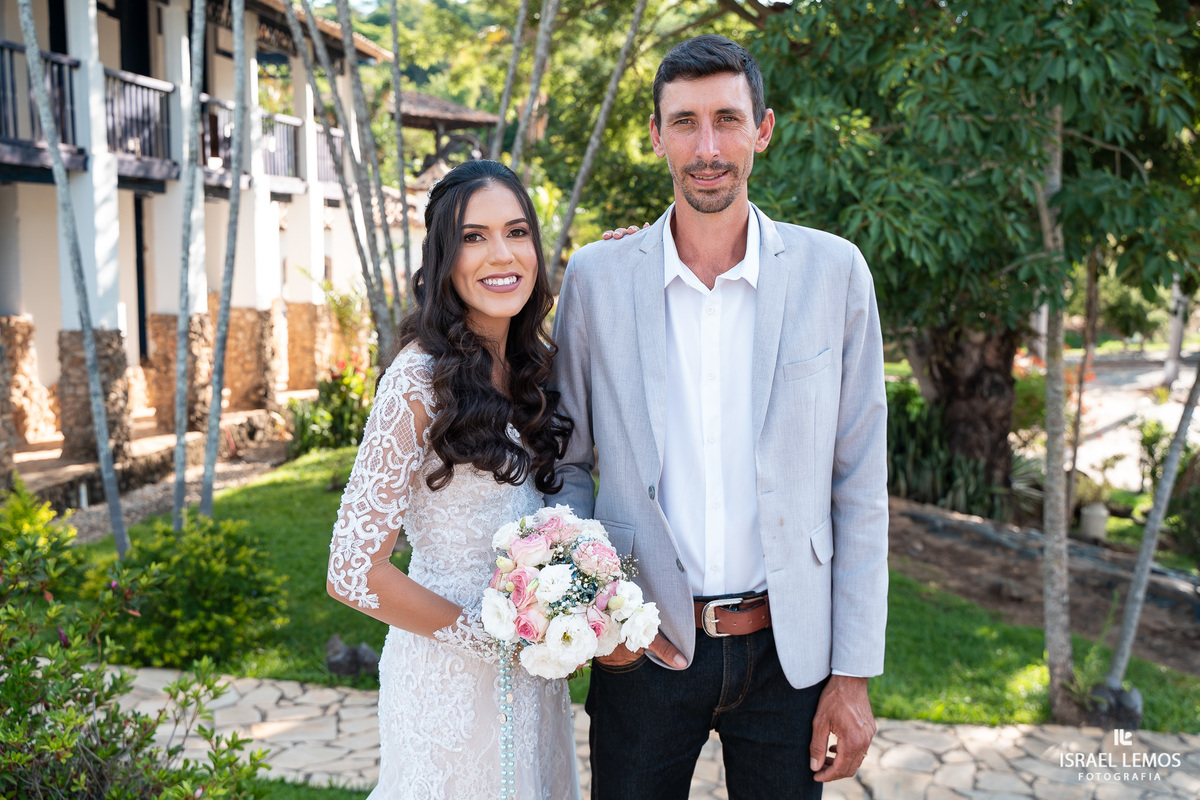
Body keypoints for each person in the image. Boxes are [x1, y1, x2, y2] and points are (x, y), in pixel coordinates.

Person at [548, 35, 889, 799]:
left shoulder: (836, 274)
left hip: (789, 656)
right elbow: (564, 462)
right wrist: (594, 614)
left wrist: (855, 673)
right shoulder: (599, 278)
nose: (708, 148)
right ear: (656, 134)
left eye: (728, 120)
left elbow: (860, 483)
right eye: (686, 122)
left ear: (762, 129)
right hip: (641, 648)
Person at [326, 159, 580, 800]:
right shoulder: (417, 380)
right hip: (446, 677)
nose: (502, 254)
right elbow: (353, 569)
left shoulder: (532, 366)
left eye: (517, 232)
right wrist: (490, 637)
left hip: (533, 674)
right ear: (444, 258)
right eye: (474, 237)